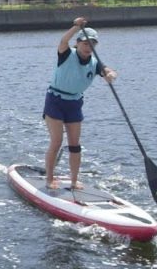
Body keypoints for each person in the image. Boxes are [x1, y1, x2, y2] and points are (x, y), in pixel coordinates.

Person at [43, 17, 117, 190]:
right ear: (78, 43)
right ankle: (49, 179)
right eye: (85, 44)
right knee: (57, 141)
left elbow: (109, 71)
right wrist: (76, 27)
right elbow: (63, 41)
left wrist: (111, 75)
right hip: (55, 100)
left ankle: (74, 181)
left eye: (92, 44)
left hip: (74, 103)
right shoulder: (67, 53)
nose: (88, 47)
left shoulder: (94, 62)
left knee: (75, 145)